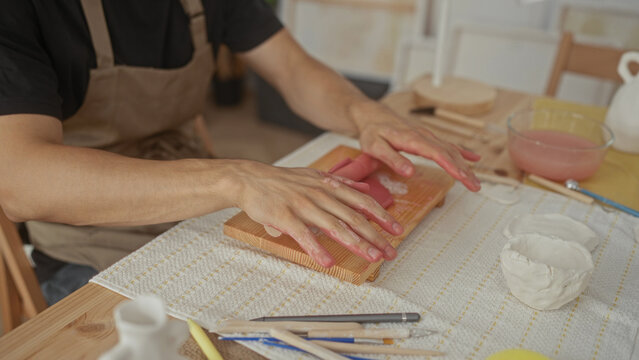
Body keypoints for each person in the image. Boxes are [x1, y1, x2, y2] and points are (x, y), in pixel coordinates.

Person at [0, 0, 480, 304]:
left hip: (202, 218)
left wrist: (364, 114)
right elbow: (21, 179)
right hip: (89, 247)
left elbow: (291, 68)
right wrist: (233, 179)